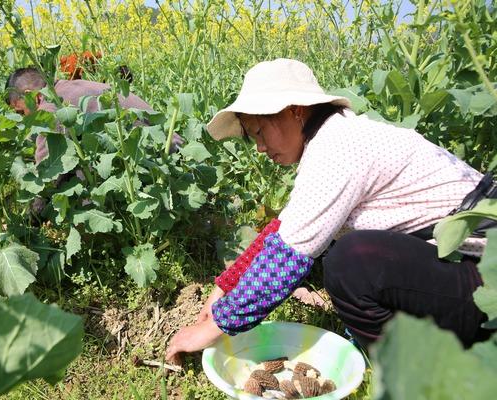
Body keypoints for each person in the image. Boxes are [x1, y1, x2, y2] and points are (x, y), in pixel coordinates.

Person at [165, 58, 495, 363]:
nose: (261, 148)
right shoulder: (335, 137)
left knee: (351, 262)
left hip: (484, 276)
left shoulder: (337, 149)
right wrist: (223, 288)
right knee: (347, 254)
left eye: (259, 132)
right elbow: (283, 230)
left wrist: (211, 330)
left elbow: (284, 260)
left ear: (294, 110)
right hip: (465, 266)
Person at [5, 67, 151, 163]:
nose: (23, 118)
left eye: (21, 112)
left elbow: (46, 170)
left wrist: (34, 205)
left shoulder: (52, 106)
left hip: (154, 153)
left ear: (32, 97)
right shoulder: (67, 87)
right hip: (153, 145)